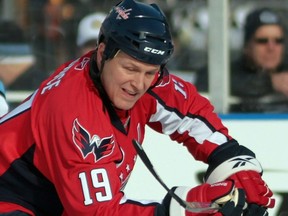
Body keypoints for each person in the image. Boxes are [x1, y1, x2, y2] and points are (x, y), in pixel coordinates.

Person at [0, 0, 274, 215]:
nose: (138, 84)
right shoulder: (73, 109)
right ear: (102, 53)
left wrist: (235, 163)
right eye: (130, 68)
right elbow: (97, 212)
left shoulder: (146, 80)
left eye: (150, 71)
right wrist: (184, 207)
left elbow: (192, 114)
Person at [195, 7, 288, 113]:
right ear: (247, 45)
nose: (271, 48)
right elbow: (206, 82)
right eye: (262, 41)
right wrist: (269, 83)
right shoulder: (229, 73)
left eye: (278, 41)